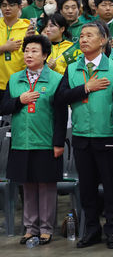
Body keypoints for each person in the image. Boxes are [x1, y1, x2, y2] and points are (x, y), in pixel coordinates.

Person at [56, 21, 113, 249]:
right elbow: (61, 98)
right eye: (81, 36)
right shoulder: (72, 69)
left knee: (110, 186)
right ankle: (91, 229)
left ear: (103, 40)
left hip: (107, 134)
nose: (84, 39)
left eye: (90, 35)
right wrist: (86, 87)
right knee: (86, 187)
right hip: (81, 135)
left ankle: (112, 230)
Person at [1, 35, 66, 246]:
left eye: (34, 51)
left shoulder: (56, 79)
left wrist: (58, 142)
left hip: (46, 141)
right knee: (27, 185)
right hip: (21, 140)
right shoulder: (15, 79)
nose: (29, 54)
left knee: (46, 186)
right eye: (26, 50)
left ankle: (46, 229)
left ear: (45, 55)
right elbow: (4, 108)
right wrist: (20, 100)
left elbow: (61, 115)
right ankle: (30, 228)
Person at [0, 0, 35, 96]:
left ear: (20, 7)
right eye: (4, 5)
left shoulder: (28, 29)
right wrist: (4, 48)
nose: (7, 8)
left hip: (20, 83)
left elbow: (37, 56)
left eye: (11, 5)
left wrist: (28, 42)